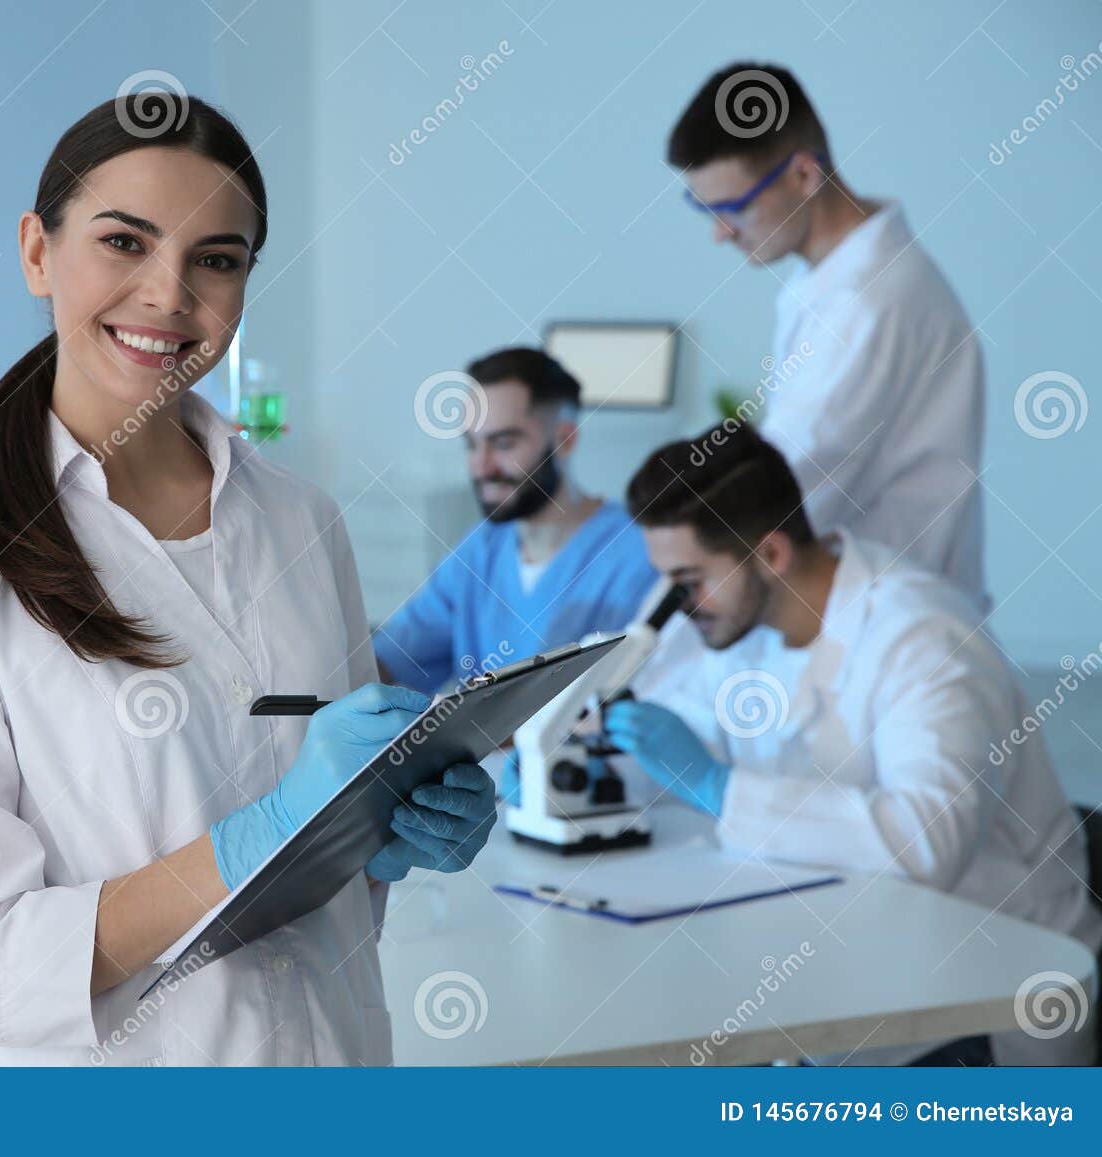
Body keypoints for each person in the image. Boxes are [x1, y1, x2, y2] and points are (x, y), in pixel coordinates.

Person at [0, 94, 496, 1067]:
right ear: (36, 251)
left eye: (215, 259)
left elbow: (343, 828)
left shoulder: (302, 521)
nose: (167, 294)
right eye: (123, 242)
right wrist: (254, 841)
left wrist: (387, 823)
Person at [613, 423, 1100, 1065]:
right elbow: (685, 739)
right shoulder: (742, 626)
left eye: (690, 579)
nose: (681, 605)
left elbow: (925, 844)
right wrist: (603, 767)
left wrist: (718, 788)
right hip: (844, 956)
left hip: (987, 982)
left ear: (771, 554)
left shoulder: (921, 637)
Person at [667, 63, 985, 602]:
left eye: (732, 208)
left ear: (804, 175)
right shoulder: (837, 279)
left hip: (890, 623)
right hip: (870, 613)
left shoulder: (870, 301)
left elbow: (789, 494)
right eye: (704, 209)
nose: (720, 234)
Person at [374, 347, 656, 694]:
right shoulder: (479, 550)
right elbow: (396, 659)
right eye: (471, 445)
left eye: (503, 443)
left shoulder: (639, 552)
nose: (482, 467)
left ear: (565, 440)